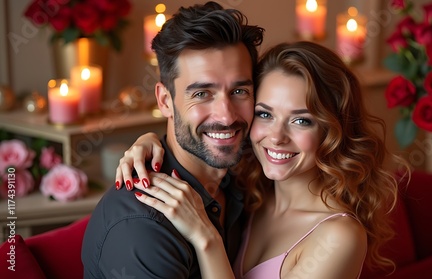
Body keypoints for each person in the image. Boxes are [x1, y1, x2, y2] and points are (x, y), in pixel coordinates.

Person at [116, 41, 409, 278]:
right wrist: (150, 141)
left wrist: (207, 239)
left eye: (302, 121)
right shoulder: (252, 189)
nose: (276, 136)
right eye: (265, 114)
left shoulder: (339, 236)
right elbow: (204, 134)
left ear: (332, 130)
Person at [81, 2, 264, 278]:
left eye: (239, 90)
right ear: (165, 101)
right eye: (202, 94)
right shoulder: (143, 229)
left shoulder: (246, 173)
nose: (226, 116)